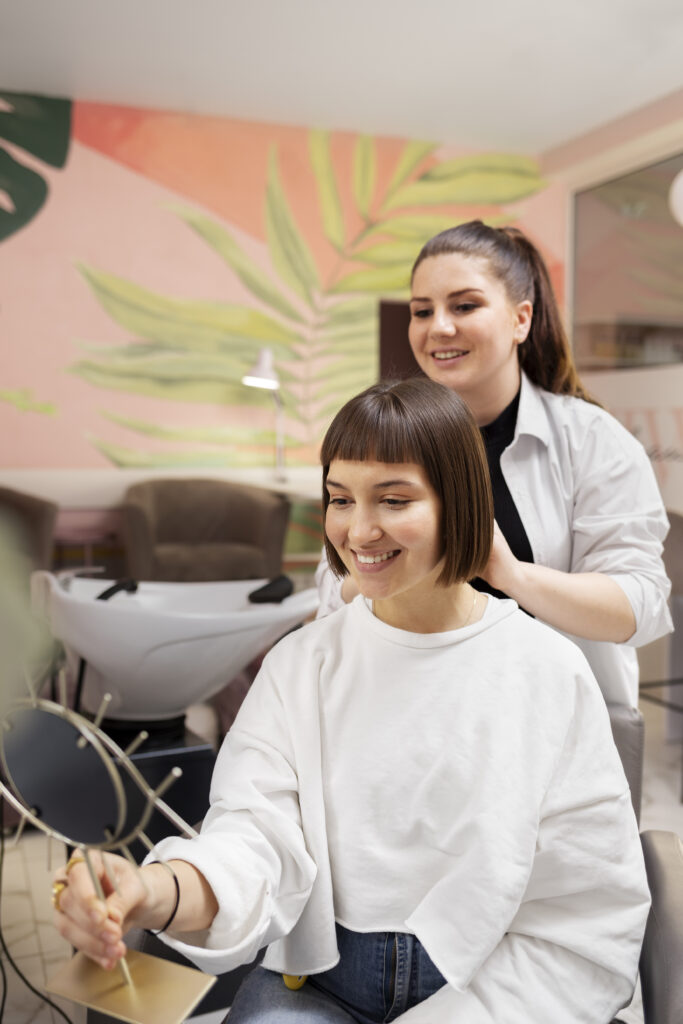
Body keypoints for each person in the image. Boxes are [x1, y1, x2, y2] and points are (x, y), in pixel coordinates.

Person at [53, 379, 649, 1023]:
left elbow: (586, 906)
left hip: (495, 985)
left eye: (394, 499)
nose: (359, 531)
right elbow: (254, 839)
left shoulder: (547, 672)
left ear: (460, 503)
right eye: (340, 499)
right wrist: (153, 889)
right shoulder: (301, 665)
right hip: (319, 984)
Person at [316, 221, 672, 708]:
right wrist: (379, 566)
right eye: (422, 311)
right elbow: (331, 587)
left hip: (550, 712)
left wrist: (510, 574)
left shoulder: (591, 439)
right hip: (408, 702)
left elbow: (640, 605)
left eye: (464, 306)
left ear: (521, 319)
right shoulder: (385, 432)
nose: (439, 327)